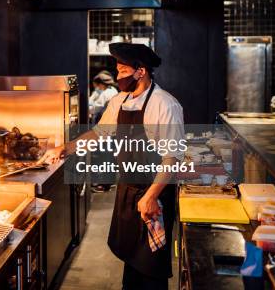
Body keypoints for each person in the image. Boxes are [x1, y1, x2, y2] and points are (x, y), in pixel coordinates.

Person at [63, 42, 185, 290]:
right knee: (131, 262)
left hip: (154, 196)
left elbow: (172, 159)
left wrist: (151, 197)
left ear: (141, 71)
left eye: (123, 71)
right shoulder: (119, 101)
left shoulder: (165, 105)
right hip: (127, 192)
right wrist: (66, 148)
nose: (118, 77)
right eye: (117, 71)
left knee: (151, 268)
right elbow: (98, 133)